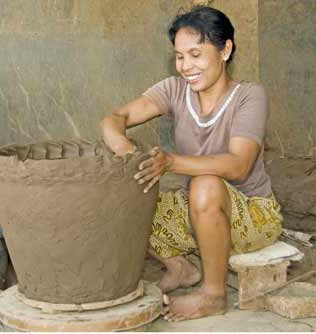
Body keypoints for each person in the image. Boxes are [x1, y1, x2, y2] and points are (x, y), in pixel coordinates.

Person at [100, 6, 283, 322]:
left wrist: (171, 162)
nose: (186, 66)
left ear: (225, 50)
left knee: (206, 183)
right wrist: (126, 150)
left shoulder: (249, 96)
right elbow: (114, 119)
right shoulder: (173, 89)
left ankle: (214, 295)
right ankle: (181, 268)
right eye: (179, 56)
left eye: (196, 54)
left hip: (252, 217)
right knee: (126, 194)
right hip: (195, 212)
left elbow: (239, 165)